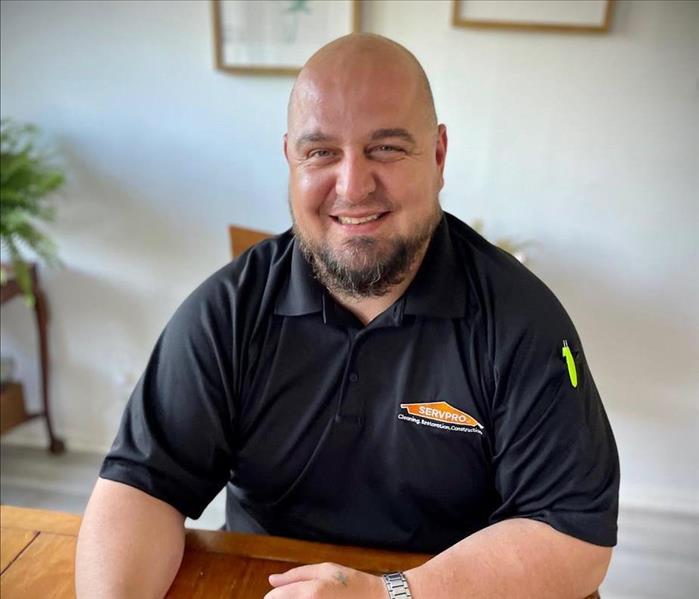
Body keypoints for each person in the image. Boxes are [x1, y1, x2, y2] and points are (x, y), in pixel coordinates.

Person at [76, 34, 619, 599]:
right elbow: (140, 490)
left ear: (437, 156)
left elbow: (573, 539)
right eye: (321, 152)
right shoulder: (229, 312)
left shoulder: (521, 320)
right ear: (290, 158)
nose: (353, 186)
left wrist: (390, 594)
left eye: (386, 148)